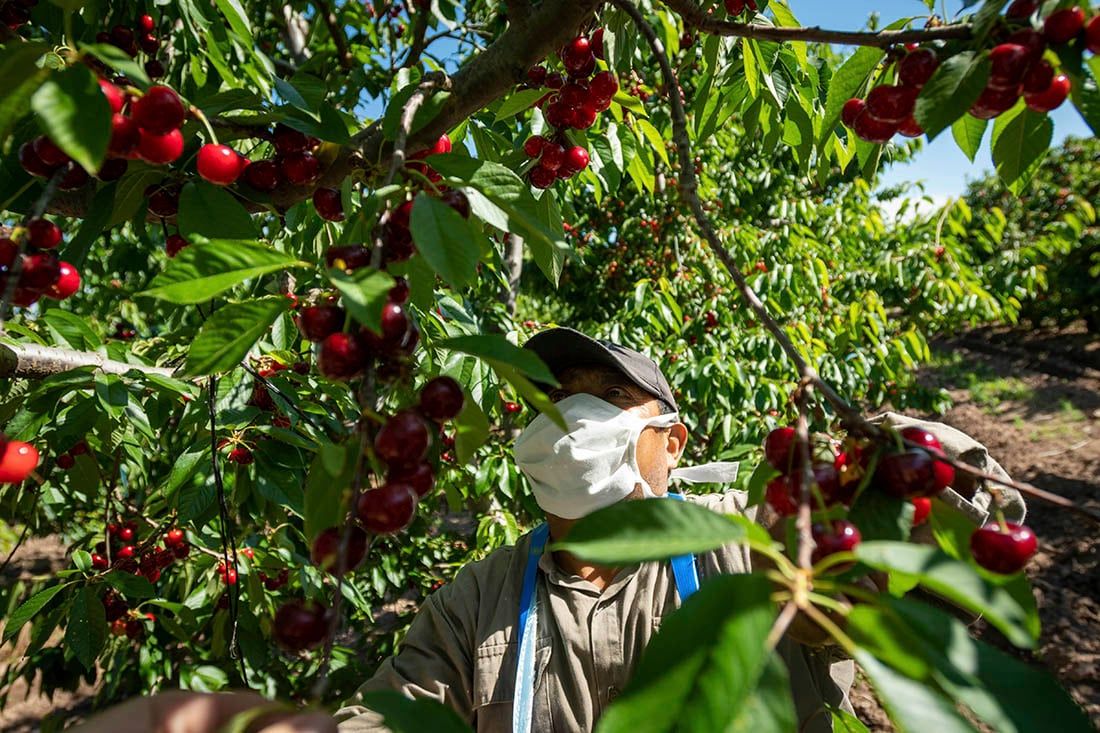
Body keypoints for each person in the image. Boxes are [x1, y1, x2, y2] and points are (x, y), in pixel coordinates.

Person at [73, 328, 1024, 733]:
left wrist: (879, 461)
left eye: (605, 398)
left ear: (672, 439)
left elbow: (936, 553)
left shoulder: (752, 551)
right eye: (554, 398)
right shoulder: (476, 598)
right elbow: (392, 718)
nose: (571, 420)